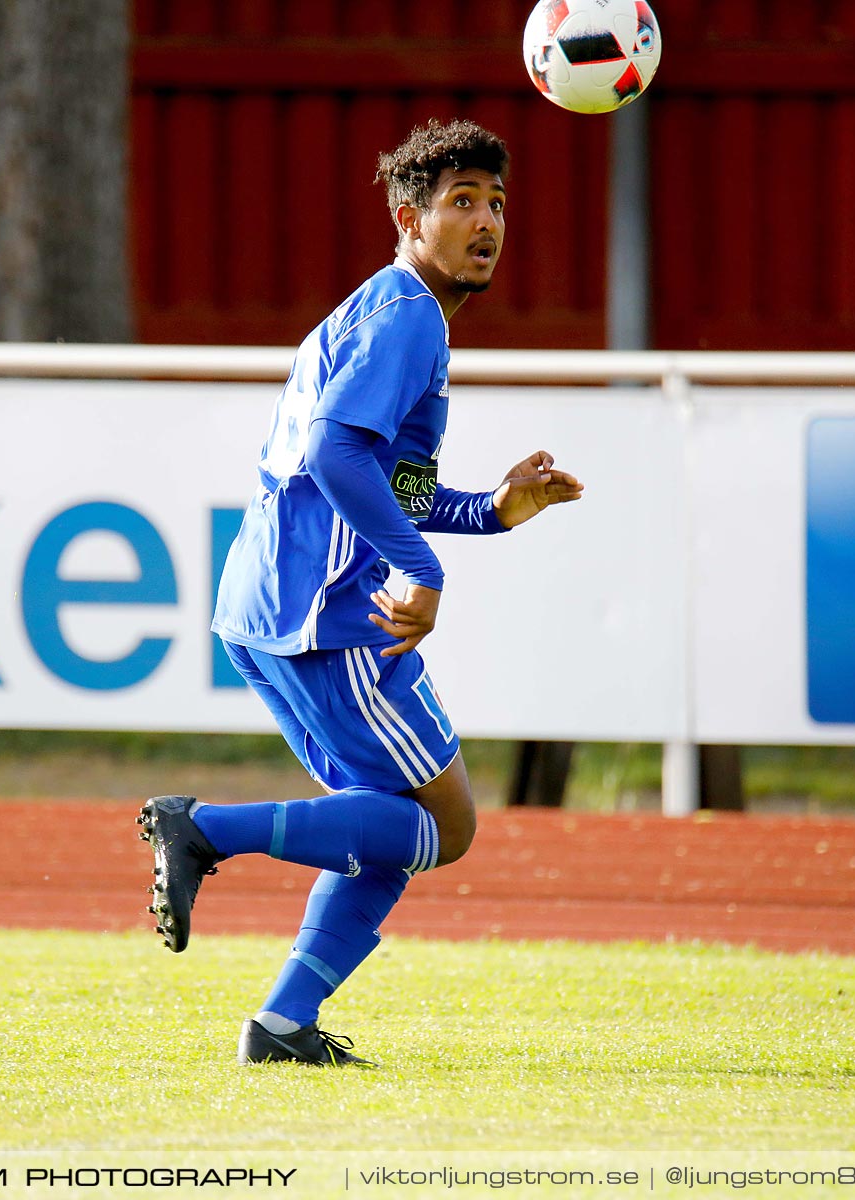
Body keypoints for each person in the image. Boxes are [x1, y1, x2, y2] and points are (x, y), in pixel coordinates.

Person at [137, 118, 583, 1065]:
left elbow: (387, 480)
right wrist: (422, 570)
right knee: (442, 825)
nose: (486, 220)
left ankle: (283, 1024)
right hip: (325, 614)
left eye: (497, 203)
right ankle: (204, 829)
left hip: (270, 605)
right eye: (461, 201)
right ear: (407, 217)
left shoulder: (388, 311)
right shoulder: (412, 314)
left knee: (389, 826)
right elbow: (332, 453)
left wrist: (494, 510)